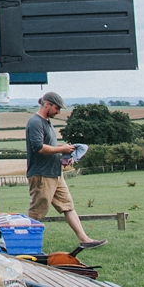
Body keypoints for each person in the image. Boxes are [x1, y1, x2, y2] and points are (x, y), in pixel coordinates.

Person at [25, 91, 106, 249]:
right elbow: (38, 147)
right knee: (37, 212)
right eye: (57, 108)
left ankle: (84, 239)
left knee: (67, 206)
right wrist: (62, 148)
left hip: (55, 173)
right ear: (47, 104)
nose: (59, 112)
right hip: (42, 174)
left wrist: (63, 156)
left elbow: (50, 148)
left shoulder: (47, 122)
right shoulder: (35, 122)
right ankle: (25, 244)